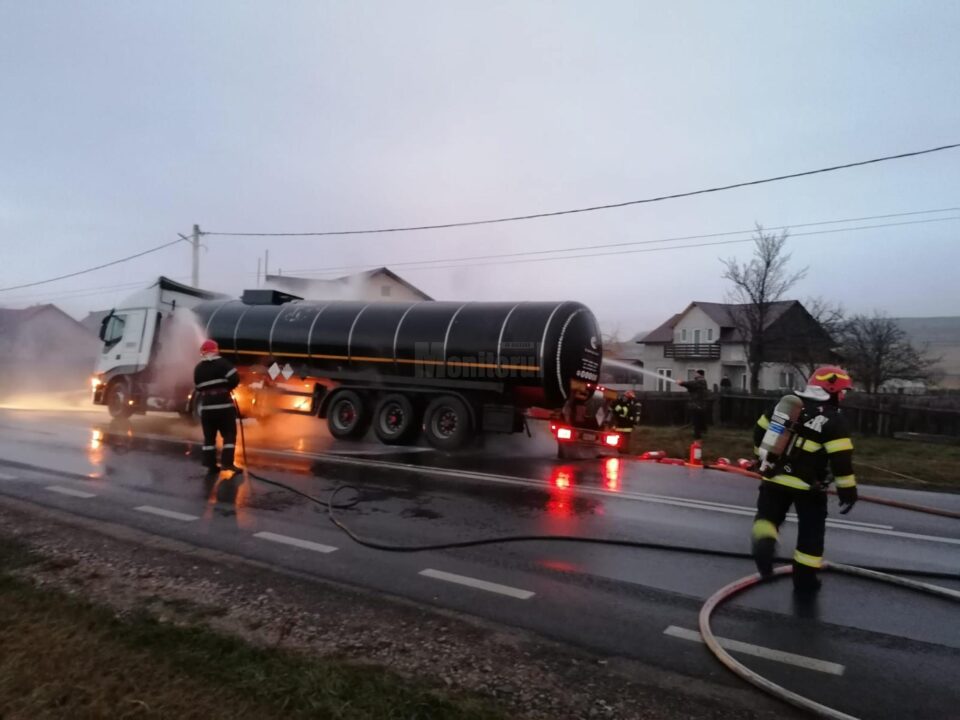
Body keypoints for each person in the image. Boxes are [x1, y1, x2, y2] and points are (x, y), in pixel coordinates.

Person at [751, 366, 858, 595]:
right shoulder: (833, 418)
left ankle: (764, 546)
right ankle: (805, 581)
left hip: (773, 477)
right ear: (831, 389)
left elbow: (759, 432)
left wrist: (760, 458)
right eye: (842, 391)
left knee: (767, 519)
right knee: (811, 533)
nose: (843, 396)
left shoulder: (786, 406)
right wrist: (847, 492)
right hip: (809, 487)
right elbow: (841, 461)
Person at [193, 339, 240, 473]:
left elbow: (198, 387)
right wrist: (227, 388)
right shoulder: (223, 364)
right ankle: (227, 463)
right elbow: (235, 379)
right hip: (224, 407)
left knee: (209, 438)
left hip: (207, 408)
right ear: (216, 350)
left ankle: (210, 465)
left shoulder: (198, 369)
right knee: (229, 434)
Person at [678, 370, 708, 439]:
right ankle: (702, 432)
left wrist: (682, 382)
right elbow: (690, 386)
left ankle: (697, 436)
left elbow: (691, 384)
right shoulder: (700, 382)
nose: (695, 375)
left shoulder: (700, 381)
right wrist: (682, 383)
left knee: (697, 421)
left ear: (700, 374)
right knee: (699, 420)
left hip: (697, 405)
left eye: (696, 374)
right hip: (699, 405)